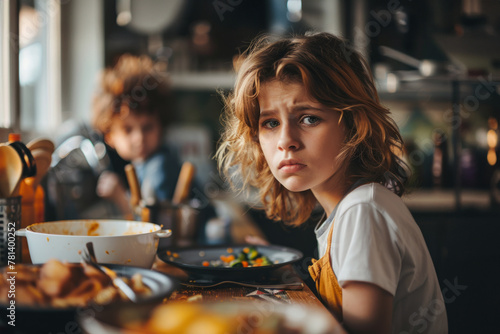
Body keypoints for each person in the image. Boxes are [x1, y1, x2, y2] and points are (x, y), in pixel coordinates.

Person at [216, 32, 448, 333]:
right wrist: (283, 273)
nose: (286, 141)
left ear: (353, 124)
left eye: (309, 118)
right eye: (270, 123)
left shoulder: (364, 212)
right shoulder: (350, 207)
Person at [91, 54, 182, 216]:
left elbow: (152, 225)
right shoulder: (144, 164)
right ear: (109, 136)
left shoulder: (159, 166)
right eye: (128, 130)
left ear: (161, 126)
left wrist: (120, 197)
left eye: (147, 127)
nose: (139, 138)